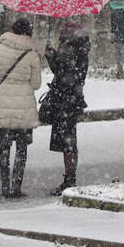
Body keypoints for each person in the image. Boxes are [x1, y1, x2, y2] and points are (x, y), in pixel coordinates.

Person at [0, 18, 42, 198]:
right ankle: (16, 186)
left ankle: (4, 186)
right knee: (21, 148)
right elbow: (36, 84)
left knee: (4, 147)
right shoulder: (32, 52)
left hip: (3, 102)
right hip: (23, 107)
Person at [45, 21, 90, 196]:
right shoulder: (82, 50)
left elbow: (62, 72)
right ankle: (69, 178)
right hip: (72, 100)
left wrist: (51, 55)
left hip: (65, 101)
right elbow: (71, 73)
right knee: (69, 140)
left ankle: (69, 180)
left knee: (68, 142)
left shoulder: (70, 49)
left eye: (62, 33)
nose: (60, 35)